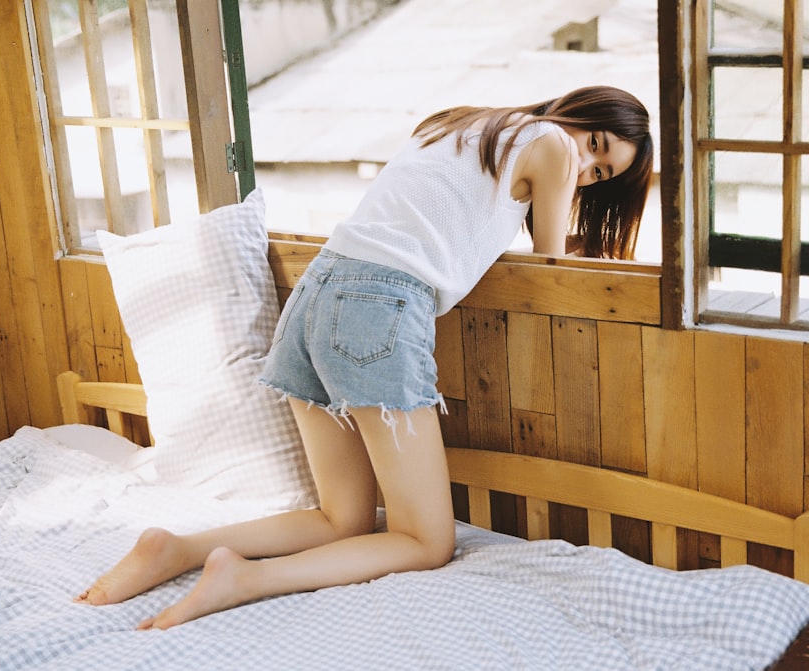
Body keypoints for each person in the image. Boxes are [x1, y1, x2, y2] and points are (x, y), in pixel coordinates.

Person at [75, 85, 654, 629]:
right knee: (428, 541)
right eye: (594, 145)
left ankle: (175, 548)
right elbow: (551, 262)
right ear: (577, 111)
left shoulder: (462, 125)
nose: (584, 166)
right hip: (379, 307)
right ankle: (246, 578)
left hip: (316, 293)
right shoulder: (550, 141)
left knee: (342, 519)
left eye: (599, 172)